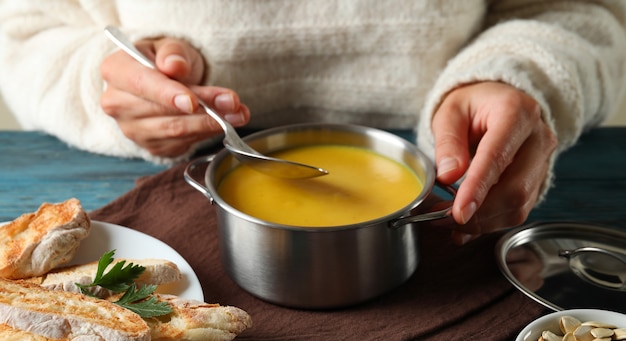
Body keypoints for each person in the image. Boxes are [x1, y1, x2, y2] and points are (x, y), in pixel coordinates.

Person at [1, 1, 625, 245]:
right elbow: (23, 33)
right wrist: (102, 83)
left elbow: (582, 15)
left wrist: (514, 77)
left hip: (446, 179)